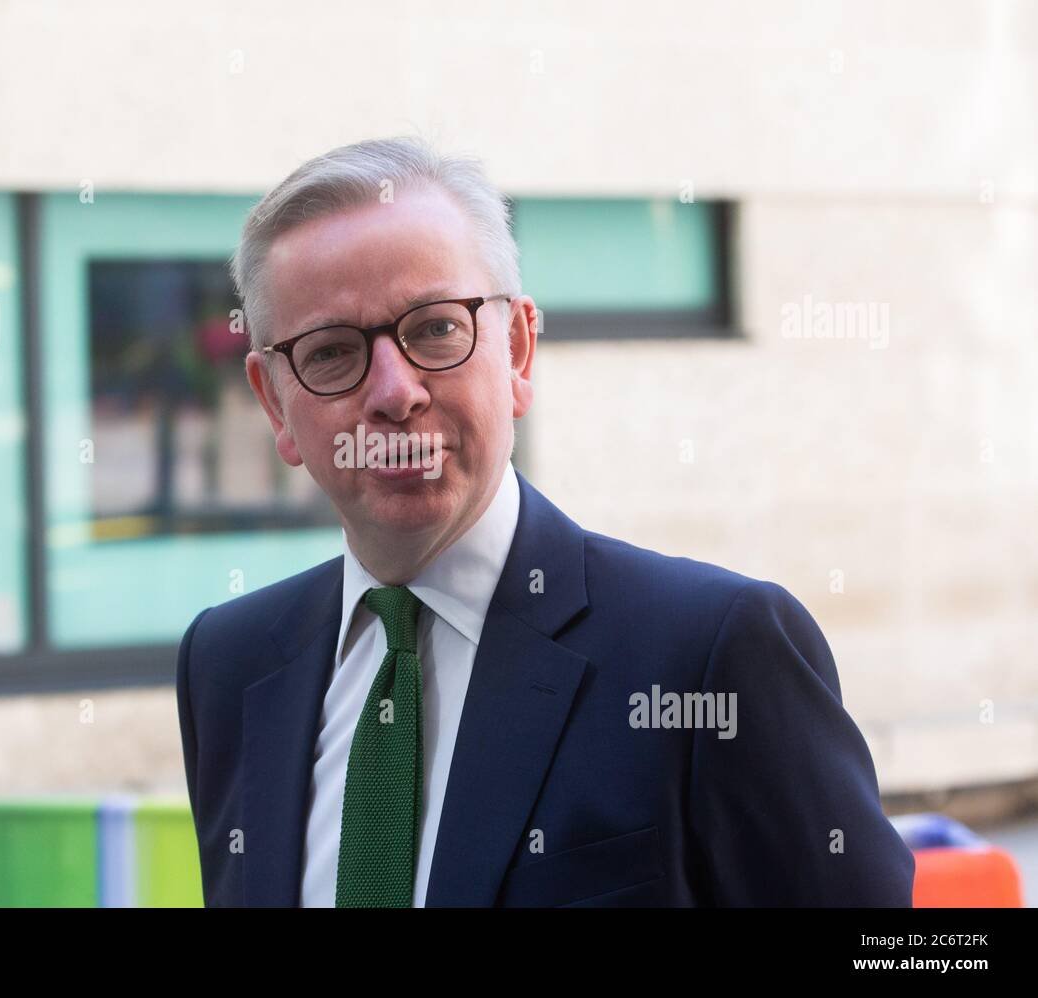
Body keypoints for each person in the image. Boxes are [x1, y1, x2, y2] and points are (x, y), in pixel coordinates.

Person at [175, 135, 914, 907]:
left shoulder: (711, 652)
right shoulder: (227, 667)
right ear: (273, 405)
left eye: (434, 329)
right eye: (330, 352)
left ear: (519, 350)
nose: (395, 393)